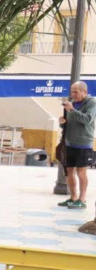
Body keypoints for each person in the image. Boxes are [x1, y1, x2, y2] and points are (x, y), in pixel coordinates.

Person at [58, 81, 96, 210]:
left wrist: (71, 110)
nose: (73, 94)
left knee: (81, 172)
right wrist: (62, 123)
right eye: (72, 91)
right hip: (70, 142)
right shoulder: (72, 104)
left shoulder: (91, 103)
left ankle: (82, 199)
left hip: (83, 143)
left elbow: (87, 120)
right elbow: (69, 122)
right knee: (69, 172)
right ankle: (73, 197)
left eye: (76, 91)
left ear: (84, 92)